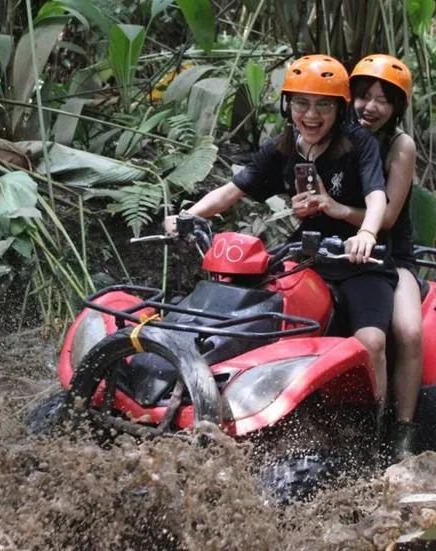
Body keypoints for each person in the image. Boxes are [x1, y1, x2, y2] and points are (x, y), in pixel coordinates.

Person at [165, 54, 399, 438]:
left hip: (360, 262)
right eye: (300, 102)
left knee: (372, 341)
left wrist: (367, 235)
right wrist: (190, 215)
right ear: (287, 105)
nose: (310, 114)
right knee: (251, 314)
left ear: (340, 109)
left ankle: (375, 431)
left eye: (323, 103)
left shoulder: (360, 144)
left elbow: (377, 198)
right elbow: (234, 190)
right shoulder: (283, 146)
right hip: (304, 256)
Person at [313, 53, 421, 461]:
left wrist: (338, 211)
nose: (371, 107)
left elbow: (389, 216)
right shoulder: (332, 133)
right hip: (335, 252)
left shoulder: (400, 144)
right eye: (363, 96)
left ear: (397, 108)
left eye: (383, 99)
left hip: (390, 254)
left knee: (408, 331)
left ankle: (404, 431)